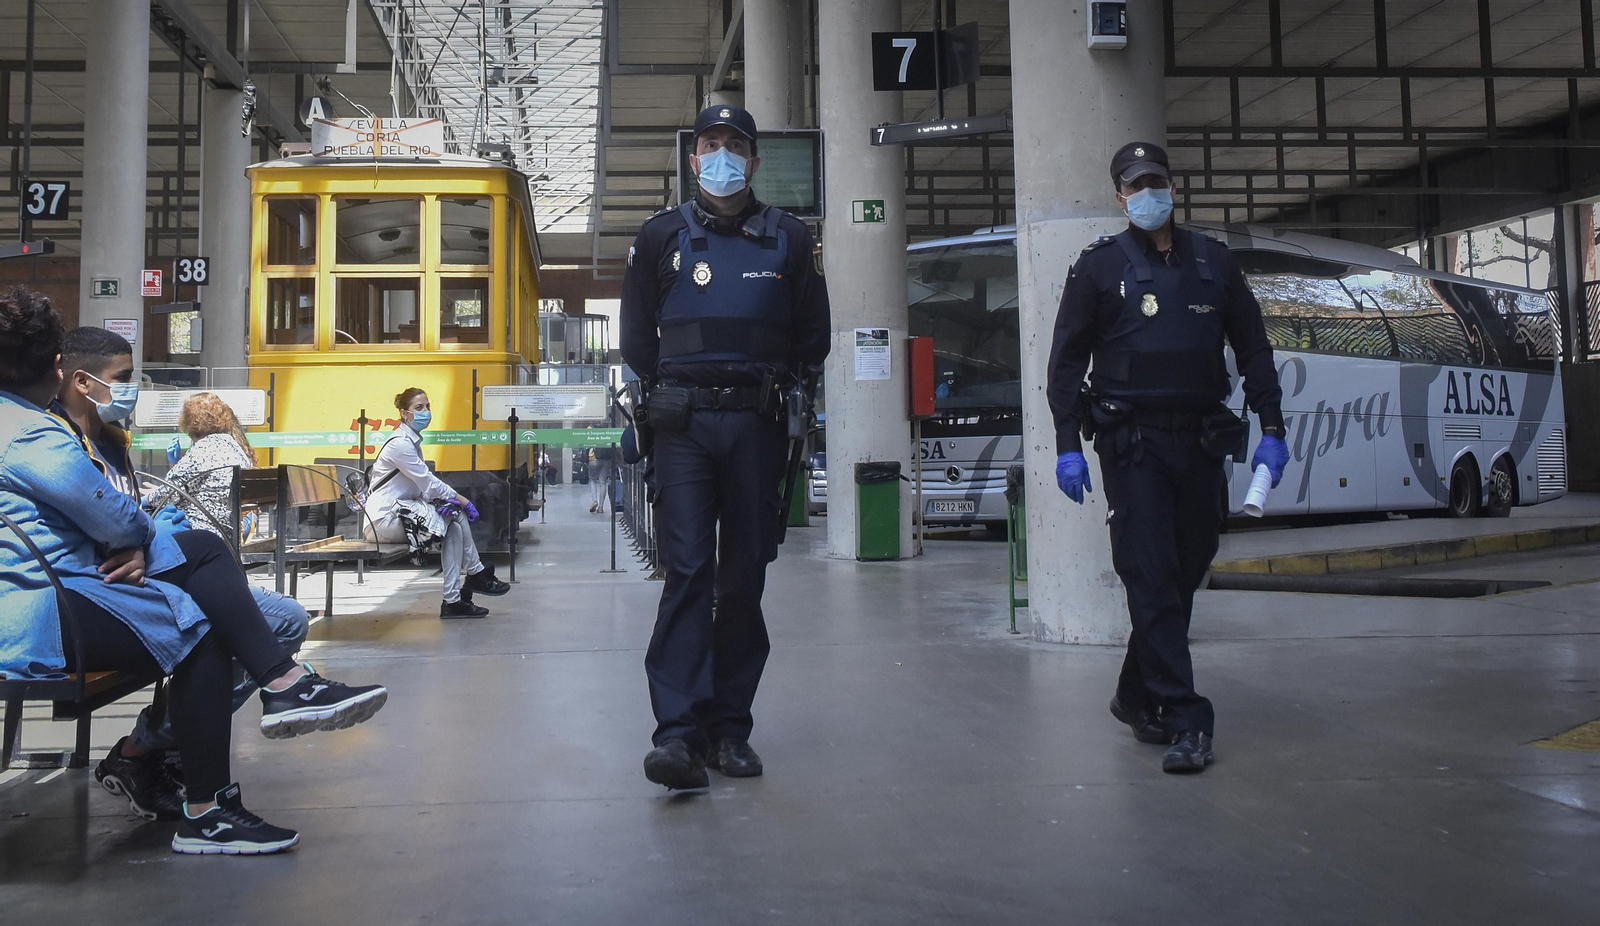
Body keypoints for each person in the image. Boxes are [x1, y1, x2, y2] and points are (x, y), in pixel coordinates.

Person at [0, 287, 387, 854]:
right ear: (59, 366)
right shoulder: (31, 432)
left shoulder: (26, 423)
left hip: (60, 590)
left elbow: (108, 518)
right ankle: (262, 720)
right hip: (44, 607)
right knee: (199, 613)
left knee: (201, 588)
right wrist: (135, 536)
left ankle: (221, 787)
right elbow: (111, 514)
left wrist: (132, 536)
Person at [1046, 142, 1290, 775]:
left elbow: (1255, 349)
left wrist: (1272, 427)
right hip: (1133, 445)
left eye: (1155, 180)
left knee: (1187, 567)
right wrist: (1067, 444)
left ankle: (1134, 694)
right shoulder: (1097, 267)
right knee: (1150, 573)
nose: (1147, 192)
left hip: (1202, 440)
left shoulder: (1214, 261)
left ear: (1171, 186)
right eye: (1135, 185)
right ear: (1120, 196)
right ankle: (1187, 718)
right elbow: (1066, 364)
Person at [620, 104, 830, 790]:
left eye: (734, 146)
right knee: (687, 573)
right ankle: (678, 736)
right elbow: (635, 339)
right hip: (681, 429)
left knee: (743, 579)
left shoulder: (789, 240)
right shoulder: (660, 237)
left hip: (757, 428)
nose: (721, 156)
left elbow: (812, 337)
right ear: (692, 159)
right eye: (710, 144)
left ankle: (729, 730)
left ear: (754, 161)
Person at [49, 334, 313, 816]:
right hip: (130, 578)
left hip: (172, 565)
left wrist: (143, 532)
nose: (132, 390)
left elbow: (143, 507)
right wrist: (146, 533)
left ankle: (148, 749)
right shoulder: (52, 442)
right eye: (124, 380)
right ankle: (183, 772)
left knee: (282, 618)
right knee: (220, 622)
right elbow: (115, 523)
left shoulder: (115, 443)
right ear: (80, 380)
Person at [365, 387, 509, 618]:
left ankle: (459, 593)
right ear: (404, 413)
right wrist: (462, 500)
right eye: (418, 408)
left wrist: (441, 504)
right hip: (383, 520)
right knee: (455, 518)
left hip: (402, 513)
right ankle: (471, 579)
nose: (425, 412)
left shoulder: (411, 441)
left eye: (427, 407)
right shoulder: (399, 444)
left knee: (453, 522)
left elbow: (419, 488)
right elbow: (428, 482)